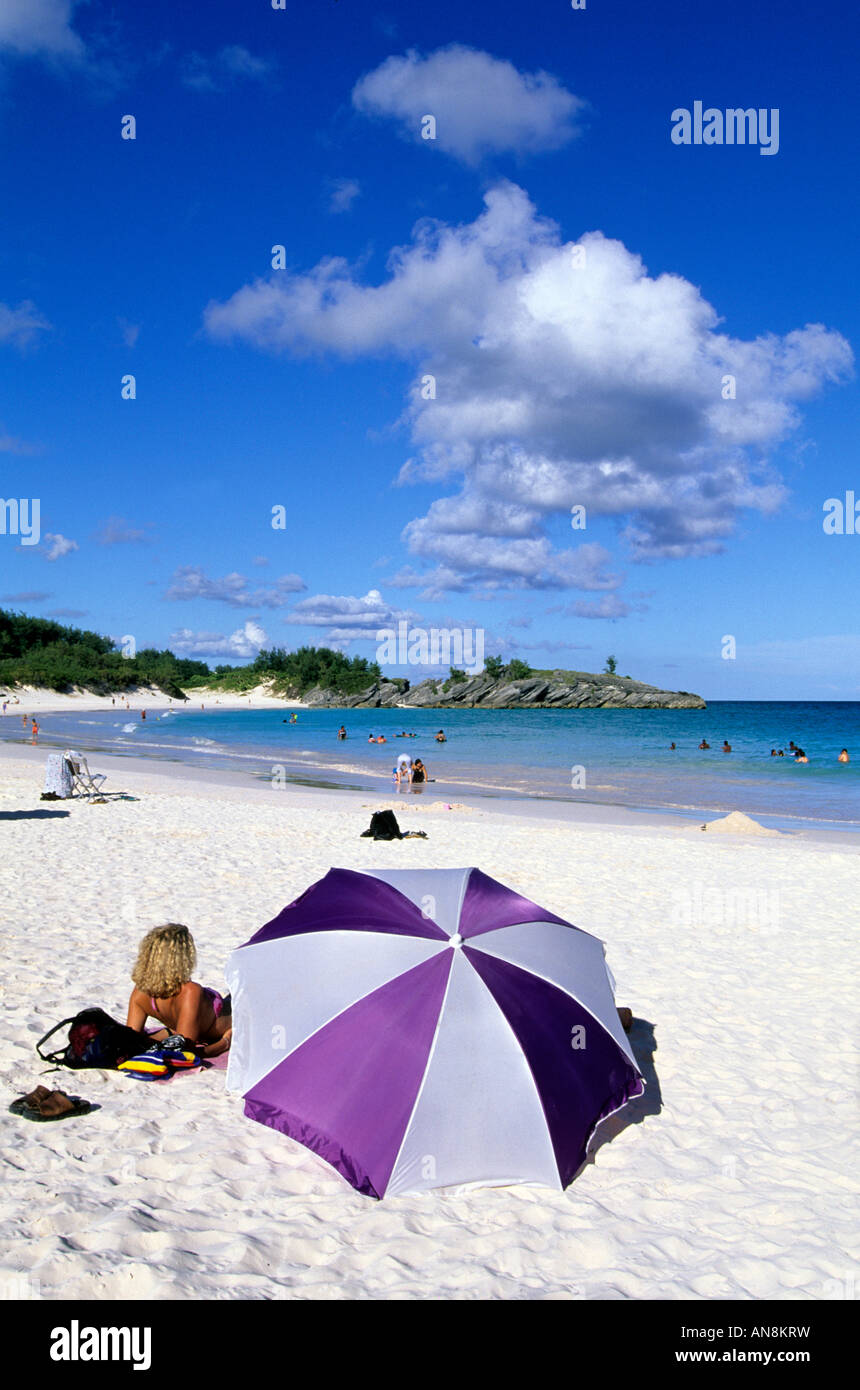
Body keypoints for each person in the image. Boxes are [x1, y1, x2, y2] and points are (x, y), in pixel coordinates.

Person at [126, 923, 232, 1058]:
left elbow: (130, 1039)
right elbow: (185, 1054)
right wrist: (224, 1042)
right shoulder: (189, 992)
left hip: (232, 1013)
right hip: (233, 1016)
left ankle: (169, 1032)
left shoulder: (140, 991)